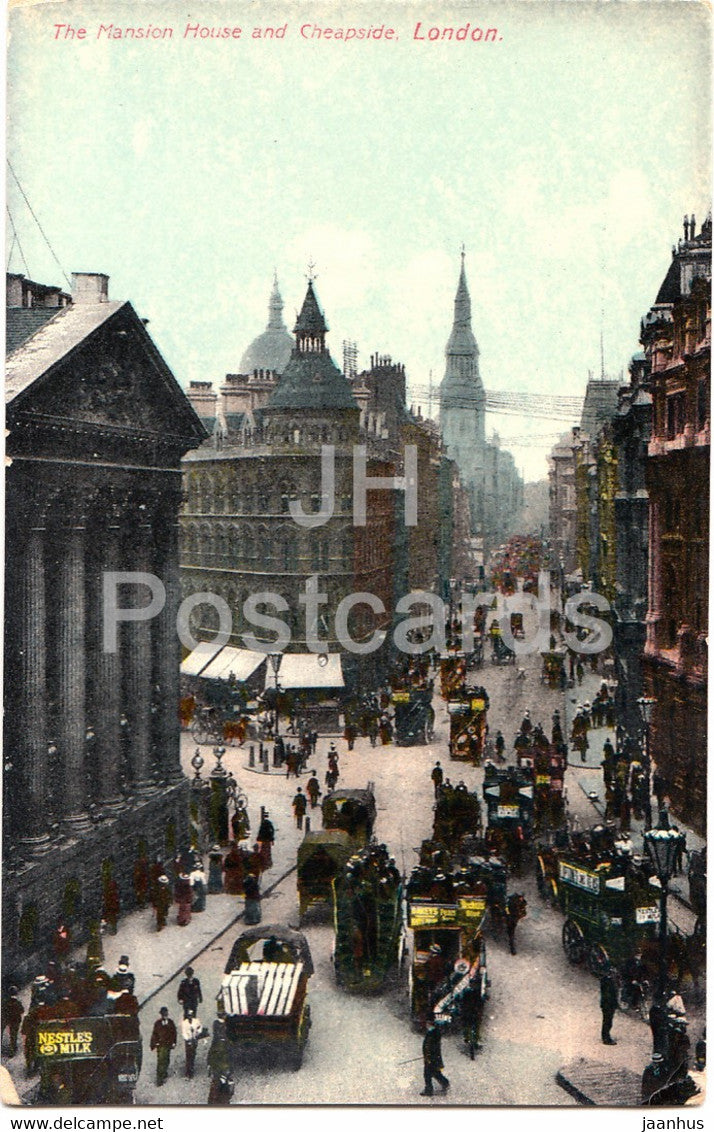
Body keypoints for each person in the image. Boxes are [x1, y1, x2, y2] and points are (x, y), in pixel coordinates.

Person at [421, 1018, 450, 1096]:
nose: (427, 1025)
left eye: (428, 1023)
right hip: (432, 1057)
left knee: (428, 1074)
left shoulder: (433, 1033)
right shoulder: (432, 1032)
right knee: (435, 1072)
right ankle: (445, 1083)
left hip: (432, 1058)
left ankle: (429, 1090)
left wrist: (429, 1056)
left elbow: (432, 1047)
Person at [150, 1006, 177, 1087]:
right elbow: (154, 1034)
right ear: (161, 1015)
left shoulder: (171, 1022)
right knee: (161, 1060)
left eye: (166, 1013)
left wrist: (174, 1042)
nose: (165, 1015)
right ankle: (159, 1079)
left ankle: (164, 1072)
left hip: (168, 1044)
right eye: (163, 1014)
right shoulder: (157, 1023)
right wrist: (154, 1043)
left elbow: (174, 1033)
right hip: (161, 1045)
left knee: (167, 1059)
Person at [181, 1008, 204, 1079]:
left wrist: (198, 1032)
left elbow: (200, 1027)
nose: (190, 1017)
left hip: (194, 1040)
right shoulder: (184, 1023)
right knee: (188, 1055)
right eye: (188, 1016)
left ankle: (191, 1068)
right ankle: (188, 1072)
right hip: (188, 1041)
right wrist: (188, 1039)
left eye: (191, 1015)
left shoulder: (196, 1021)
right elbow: (184, 1032)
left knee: (193, 1054)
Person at [2, 986, 23, 1057]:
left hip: (8, 1019)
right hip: (16, 1021)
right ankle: (13, 1050)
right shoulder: (18, 1002)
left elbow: (3, 1010)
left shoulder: (6, 1002)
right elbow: (22, 1010)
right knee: (14, 1035)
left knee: (10, 1034)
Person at [600, 966, 619, 1044]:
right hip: (607, 1004)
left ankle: (606, 1036)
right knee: (607, 1021)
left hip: (609, 1004)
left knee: (608, 1021)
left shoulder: (609, 980)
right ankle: (606, 1038)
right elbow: (608, 994)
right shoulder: (606, 981)